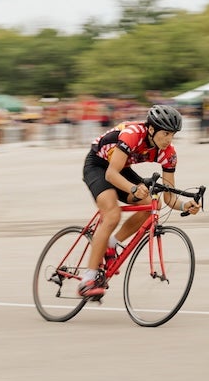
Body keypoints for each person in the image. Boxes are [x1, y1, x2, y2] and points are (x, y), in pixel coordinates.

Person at [79, 104, 200, 297]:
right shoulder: (133, 134)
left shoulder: (168, 153)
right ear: (151, 129)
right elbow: (111, 174)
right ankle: (88, 278)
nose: (169, 140)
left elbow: (169, 197)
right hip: (99, 165)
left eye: (172, 135)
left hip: (121, 166)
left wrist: (185, 205)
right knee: (112, 214)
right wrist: (133, 188)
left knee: (154, 205)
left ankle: (110, 243)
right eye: (165, 134)